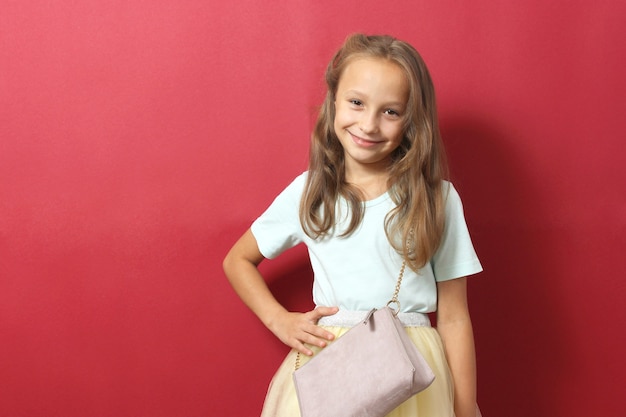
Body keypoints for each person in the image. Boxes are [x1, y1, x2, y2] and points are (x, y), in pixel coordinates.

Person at [223, 33, 483, 417]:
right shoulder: (310, 192)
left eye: (390, 111)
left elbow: (455, 316)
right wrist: (278, 319)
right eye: (357, 103)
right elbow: (237, 260)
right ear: (333, 101)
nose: (369, 124)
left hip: (414, 372)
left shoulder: (437, 199)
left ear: (412, 120)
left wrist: (463, 409)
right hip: (335, 366)